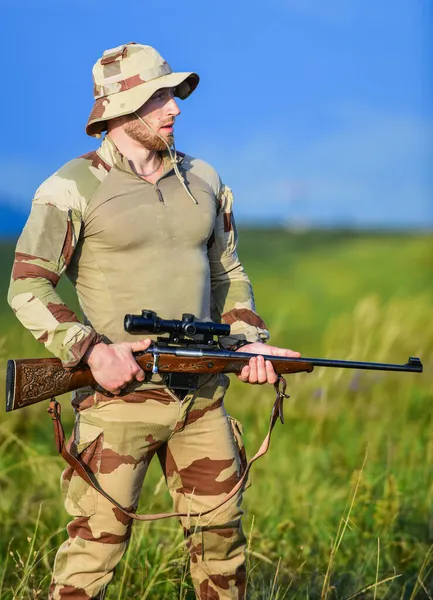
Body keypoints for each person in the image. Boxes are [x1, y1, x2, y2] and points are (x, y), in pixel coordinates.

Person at [8, 42, 300, 600]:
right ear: (120, 108)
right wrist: (91, 351)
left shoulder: (206, 179)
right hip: (116, 401)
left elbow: (228, 274)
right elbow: (27, 285)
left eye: (173, 94)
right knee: (93, 555)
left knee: (222, 547)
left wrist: (249, 344)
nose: (175, 108)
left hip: (203, 401)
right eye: (159, 97)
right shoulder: (71, 187)